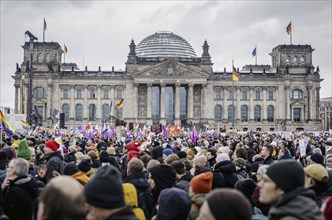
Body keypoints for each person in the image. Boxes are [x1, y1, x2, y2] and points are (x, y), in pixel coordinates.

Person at [258, 160, 324, 219]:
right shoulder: (303, 209)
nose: (259, 185)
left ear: (282, 187)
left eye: (266, 181)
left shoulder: (290, 216)